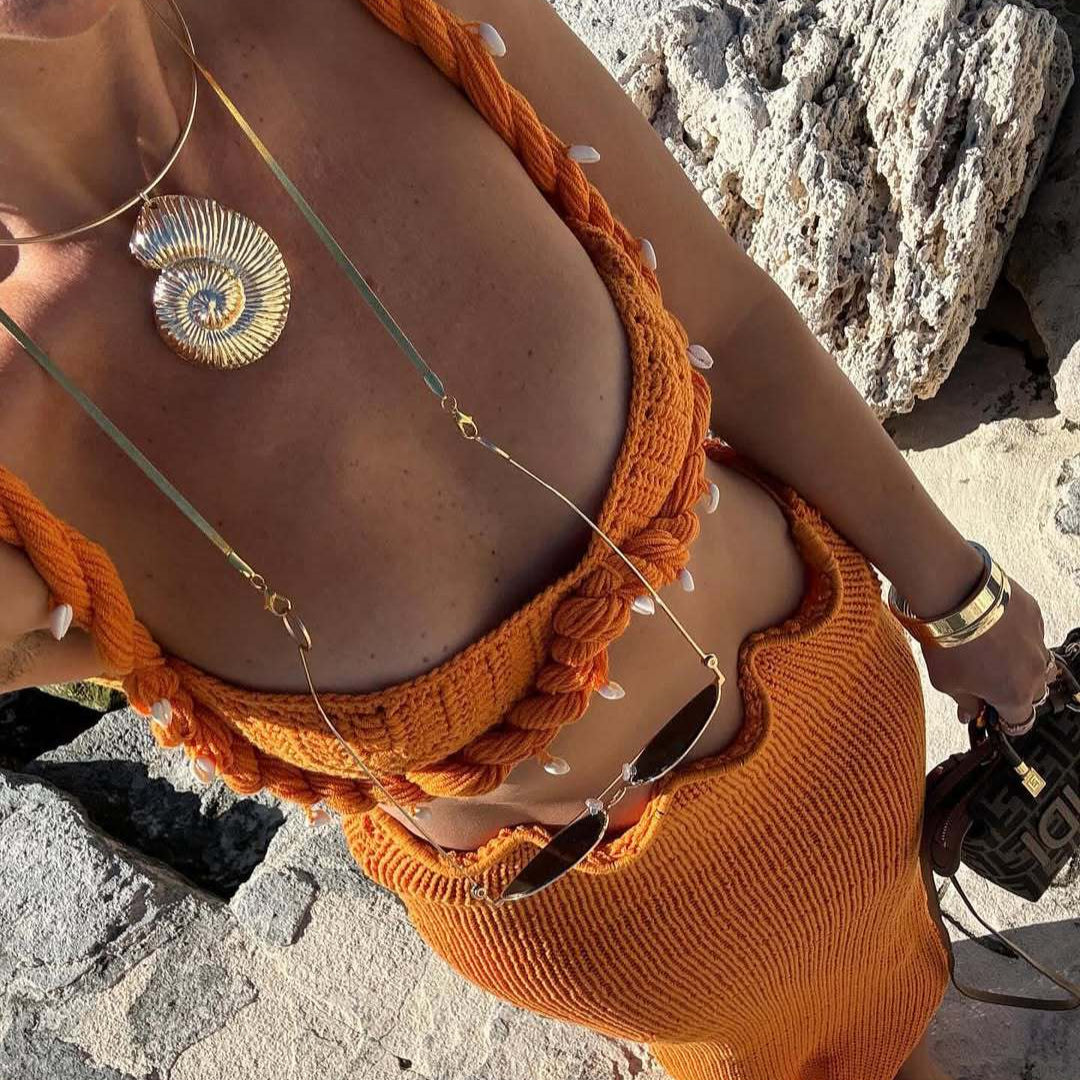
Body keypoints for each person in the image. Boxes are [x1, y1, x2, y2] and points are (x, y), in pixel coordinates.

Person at [0, 2, 1057, 1078]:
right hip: (618, 934)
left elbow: (727, 320)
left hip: (846, 720)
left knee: (906, 988)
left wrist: (960, 596)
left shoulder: (401, 13)